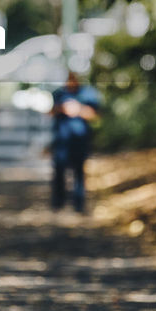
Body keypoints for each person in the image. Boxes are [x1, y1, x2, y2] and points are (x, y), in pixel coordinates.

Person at [50, 70, 100, 213]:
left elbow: (95, 114)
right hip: (61, 140)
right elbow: (50, 112)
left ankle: (79, 203)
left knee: (79, 172)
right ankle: (58, 202)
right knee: (59, 172)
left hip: (80, 140)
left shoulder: (87, 94)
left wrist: (78, 109)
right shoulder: (59, 94)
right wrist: (62, 108)